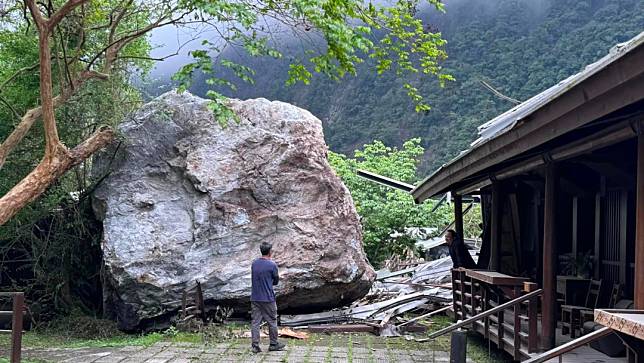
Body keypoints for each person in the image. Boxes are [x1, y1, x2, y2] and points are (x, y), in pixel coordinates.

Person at [250, 242, 285, 353]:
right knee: (272, 321)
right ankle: (273, 344)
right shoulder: (272, 265)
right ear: (270, 252)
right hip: (268, 298)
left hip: (255, 297)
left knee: (255, 322)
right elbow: (276, 281)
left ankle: (255, 346)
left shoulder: (254, 264)